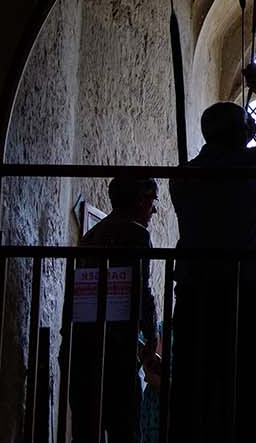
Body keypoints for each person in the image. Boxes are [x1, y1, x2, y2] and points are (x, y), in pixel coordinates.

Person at [168, 63, 256, 442]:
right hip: (241, 290)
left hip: (193, 290)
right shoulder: (246, 166)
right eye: (245, 128)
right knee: (245, 388)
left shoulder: (184, 174)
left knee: (196, 383)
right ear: (238, 134)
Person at [65, 177, 161, 443]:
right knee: (126, 430)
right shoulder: (137, 235)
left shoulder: (90, 237)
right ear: (141, 200)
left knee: (86, 430)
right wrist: (151, 337)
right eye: (152, 203)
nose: (153, 212)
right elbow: (142, 292)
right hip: (117, 352)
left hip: (83, 350)